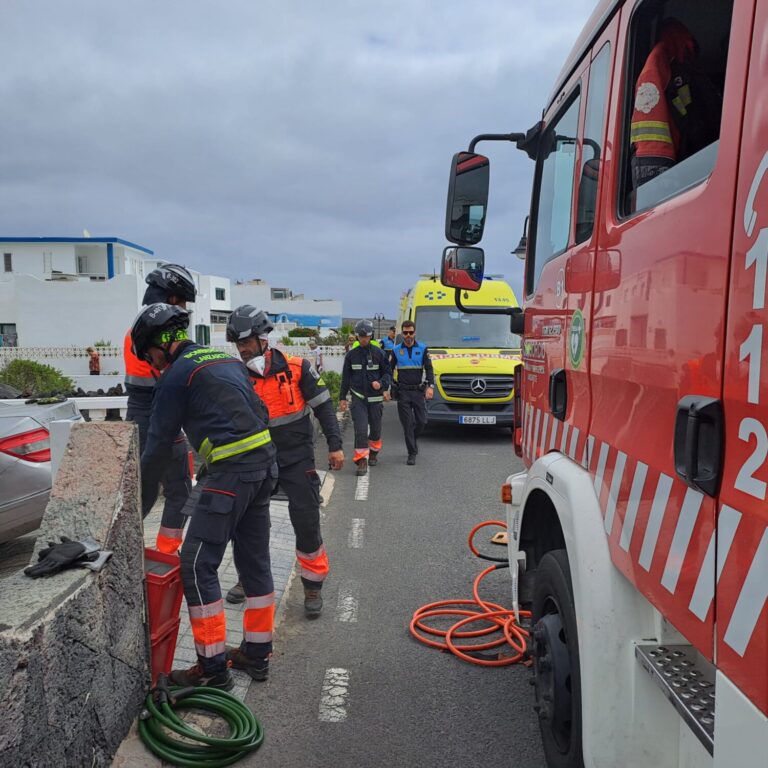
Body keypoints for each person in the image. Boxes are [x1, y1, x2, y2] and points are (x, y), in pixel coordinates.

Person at [134, 303, 277, 688]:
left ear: (160, 346)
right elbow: (259, 411)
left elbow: (157, 446)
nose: (153, 364)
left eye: (149, 355)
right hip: (263, 471)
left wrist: (137, 504)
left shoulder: (176, 375)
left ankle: (213, 671)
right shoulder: (224, 360)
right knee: (255, 563)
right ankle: (256, 654)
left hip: (230, 477)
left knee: (196, 567)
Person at [224, 306, 344, 617]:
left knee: (305, 521)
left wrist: (335, 445)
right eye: (238, 344)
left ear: (263, 338)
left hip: (296, 459)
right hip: (256, 462)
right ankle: (246, 579)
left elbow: (324, 407)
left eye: (246, 342)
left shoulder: (297, 368)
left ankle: (312, 586)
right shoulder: (236, 377)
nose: (242, 349)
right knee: (248, 524)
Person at [123, 264, 195, 554]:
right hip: (158, 416)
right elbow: (177, 379)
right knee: (178, 490)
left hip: (139, 415)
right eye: (184, 302)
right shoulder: (158, 335)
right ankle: (166, 552)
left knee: (144, 490)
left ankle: (125, 550)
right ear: (173, 299)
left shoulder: (135, 331)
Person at [630, 18, 721, 189]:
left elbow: (651, 153)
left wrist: (650, 193)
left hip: (697, 172)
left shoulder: (679, 68)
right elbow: (652, 149)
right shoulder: (657, 69)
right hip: (694, 170)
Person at [339, 319, 392, 475]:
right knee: (361, 430)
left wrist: (381, 384)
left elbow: (388, 374)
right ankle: (361, 461)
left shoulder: (379, 354)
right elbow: (345, 378)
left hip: (375, 399)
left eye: (366, 336)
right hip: (358, 398)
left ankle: (374, 452)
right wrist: (342, 398)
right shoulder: (351, 356)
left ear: (371, 336)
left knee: (375, 430)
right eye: (361, 336)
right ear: (357, 336)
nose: (363, 339)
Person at [390, 320, 434, 465]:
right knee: (407, 424)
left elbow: (429, 369)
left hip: (418, 391)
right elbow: (389, 370)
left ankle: (412, 440)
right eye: (405, 333)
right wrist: (390, 386)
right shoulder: (396, 350)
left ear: (414, 333)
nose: (408, 335)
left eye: (411, 332)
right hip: (403, 392)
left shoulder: (422, 348)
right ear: (402, 334)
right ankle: (412, 452)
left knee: (422, 421)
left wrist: (430, 387)